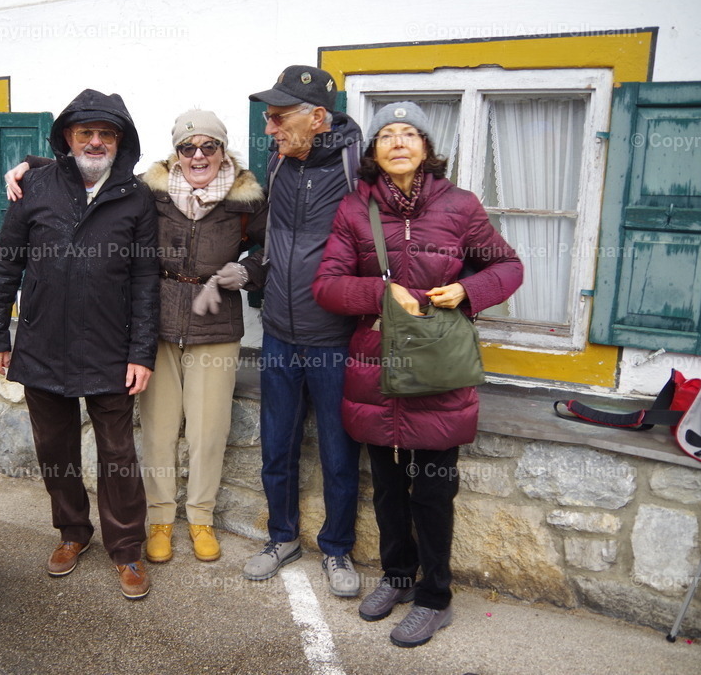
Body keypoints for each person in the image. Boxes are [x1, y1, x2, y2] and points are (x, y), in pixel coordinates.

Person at [312, 102, 523, 646]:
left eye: (410, 134)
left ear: (426, 148)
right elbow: (327, 285)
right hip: (376, 370)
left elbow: (508, 266)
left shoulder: (460, 206)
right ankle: (398, 578)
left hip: (438, 373)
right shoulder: (355, 210)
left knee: (432, 491)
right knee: (385, 487)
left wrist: (469, 291)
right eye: (387, 135)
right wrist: (380, 292)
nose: (399, 142)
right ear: (374, 152)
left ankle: (435, 596)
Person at [0, 89, 159, 601]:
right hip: (41, 345)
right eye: (86, 132)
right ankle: (72, 533)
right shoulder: (35, 186)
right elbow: (6, 265)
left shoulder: (136, 197)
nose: (96, 141)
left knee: (118, 456)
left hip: (110, 348)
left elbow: (147, 279)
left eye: (107, 134)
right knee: (54, 450)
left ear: (119, 141)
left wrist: (141, 353)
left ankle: (126, 549)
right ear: (68, 137)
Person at [242, 65, 364, 597]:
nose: (269, 129)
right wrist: (40, 166)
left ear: (318, 117)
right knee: (277, 445)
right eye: (267, 118)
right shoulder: (278, 165)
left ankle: (337, 550)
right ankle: (282, 537)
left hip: (335, 338)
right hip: (277, 334)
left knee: (339, 452)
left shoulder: (359, 165)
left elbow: (420, 198)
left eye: (278, 118)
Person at [136, 110, 267, 563]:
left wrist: (247, 270)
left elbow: (275, 247)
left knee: (209, 431)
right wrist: (31, 167)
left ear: (222, 150)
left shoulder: (245, 199)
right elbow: (88, 177)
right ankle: (158, 519)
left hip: (215, 326)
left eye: (208, 146)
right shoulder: (148, 192)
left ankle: (200, 518)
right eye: (187, 147)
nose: (198, 155)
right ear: (175, 154)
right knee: (158, 430)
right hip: (158, 325)